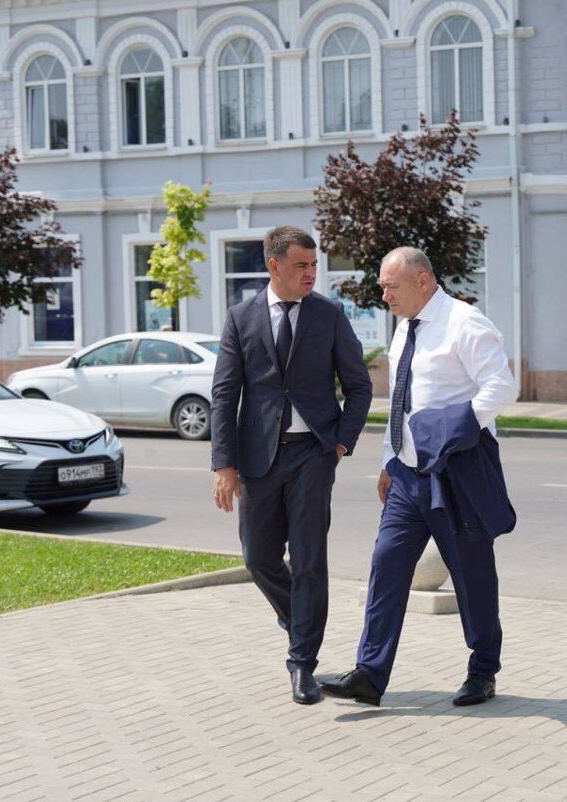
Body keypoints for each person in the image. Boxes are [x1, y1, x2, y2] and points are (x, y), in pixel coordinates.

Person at [321, 247, 519, 708]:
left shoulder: (465, 323)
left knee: (471, 574)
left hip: (456, 473)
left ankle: (483, 671)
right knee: (386, 565)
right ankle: (369, 674)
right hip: (407, 477)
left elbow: (501, 386)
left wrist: (451, 428)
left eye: (391, 286)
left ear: (423, 281)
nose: (384, 295)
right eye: (383, 286)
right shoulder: (404, 327)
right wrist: (389, 460)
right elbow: (401, 401)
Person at [210, 225, 373, 705]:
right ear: (273, 265)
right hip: (258, 458)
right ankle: (300, 618)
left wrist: (340, 443)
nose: (310, 273)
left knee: (308, 560)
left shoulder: (329, 314)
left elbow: (359, 386)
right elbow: (224, 394)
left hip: (313, 454)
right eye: (301, 265)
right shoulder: (241, 318)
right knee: (257, 557)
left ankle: (302, 662)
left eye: (314, 265)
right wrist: (224, 464)